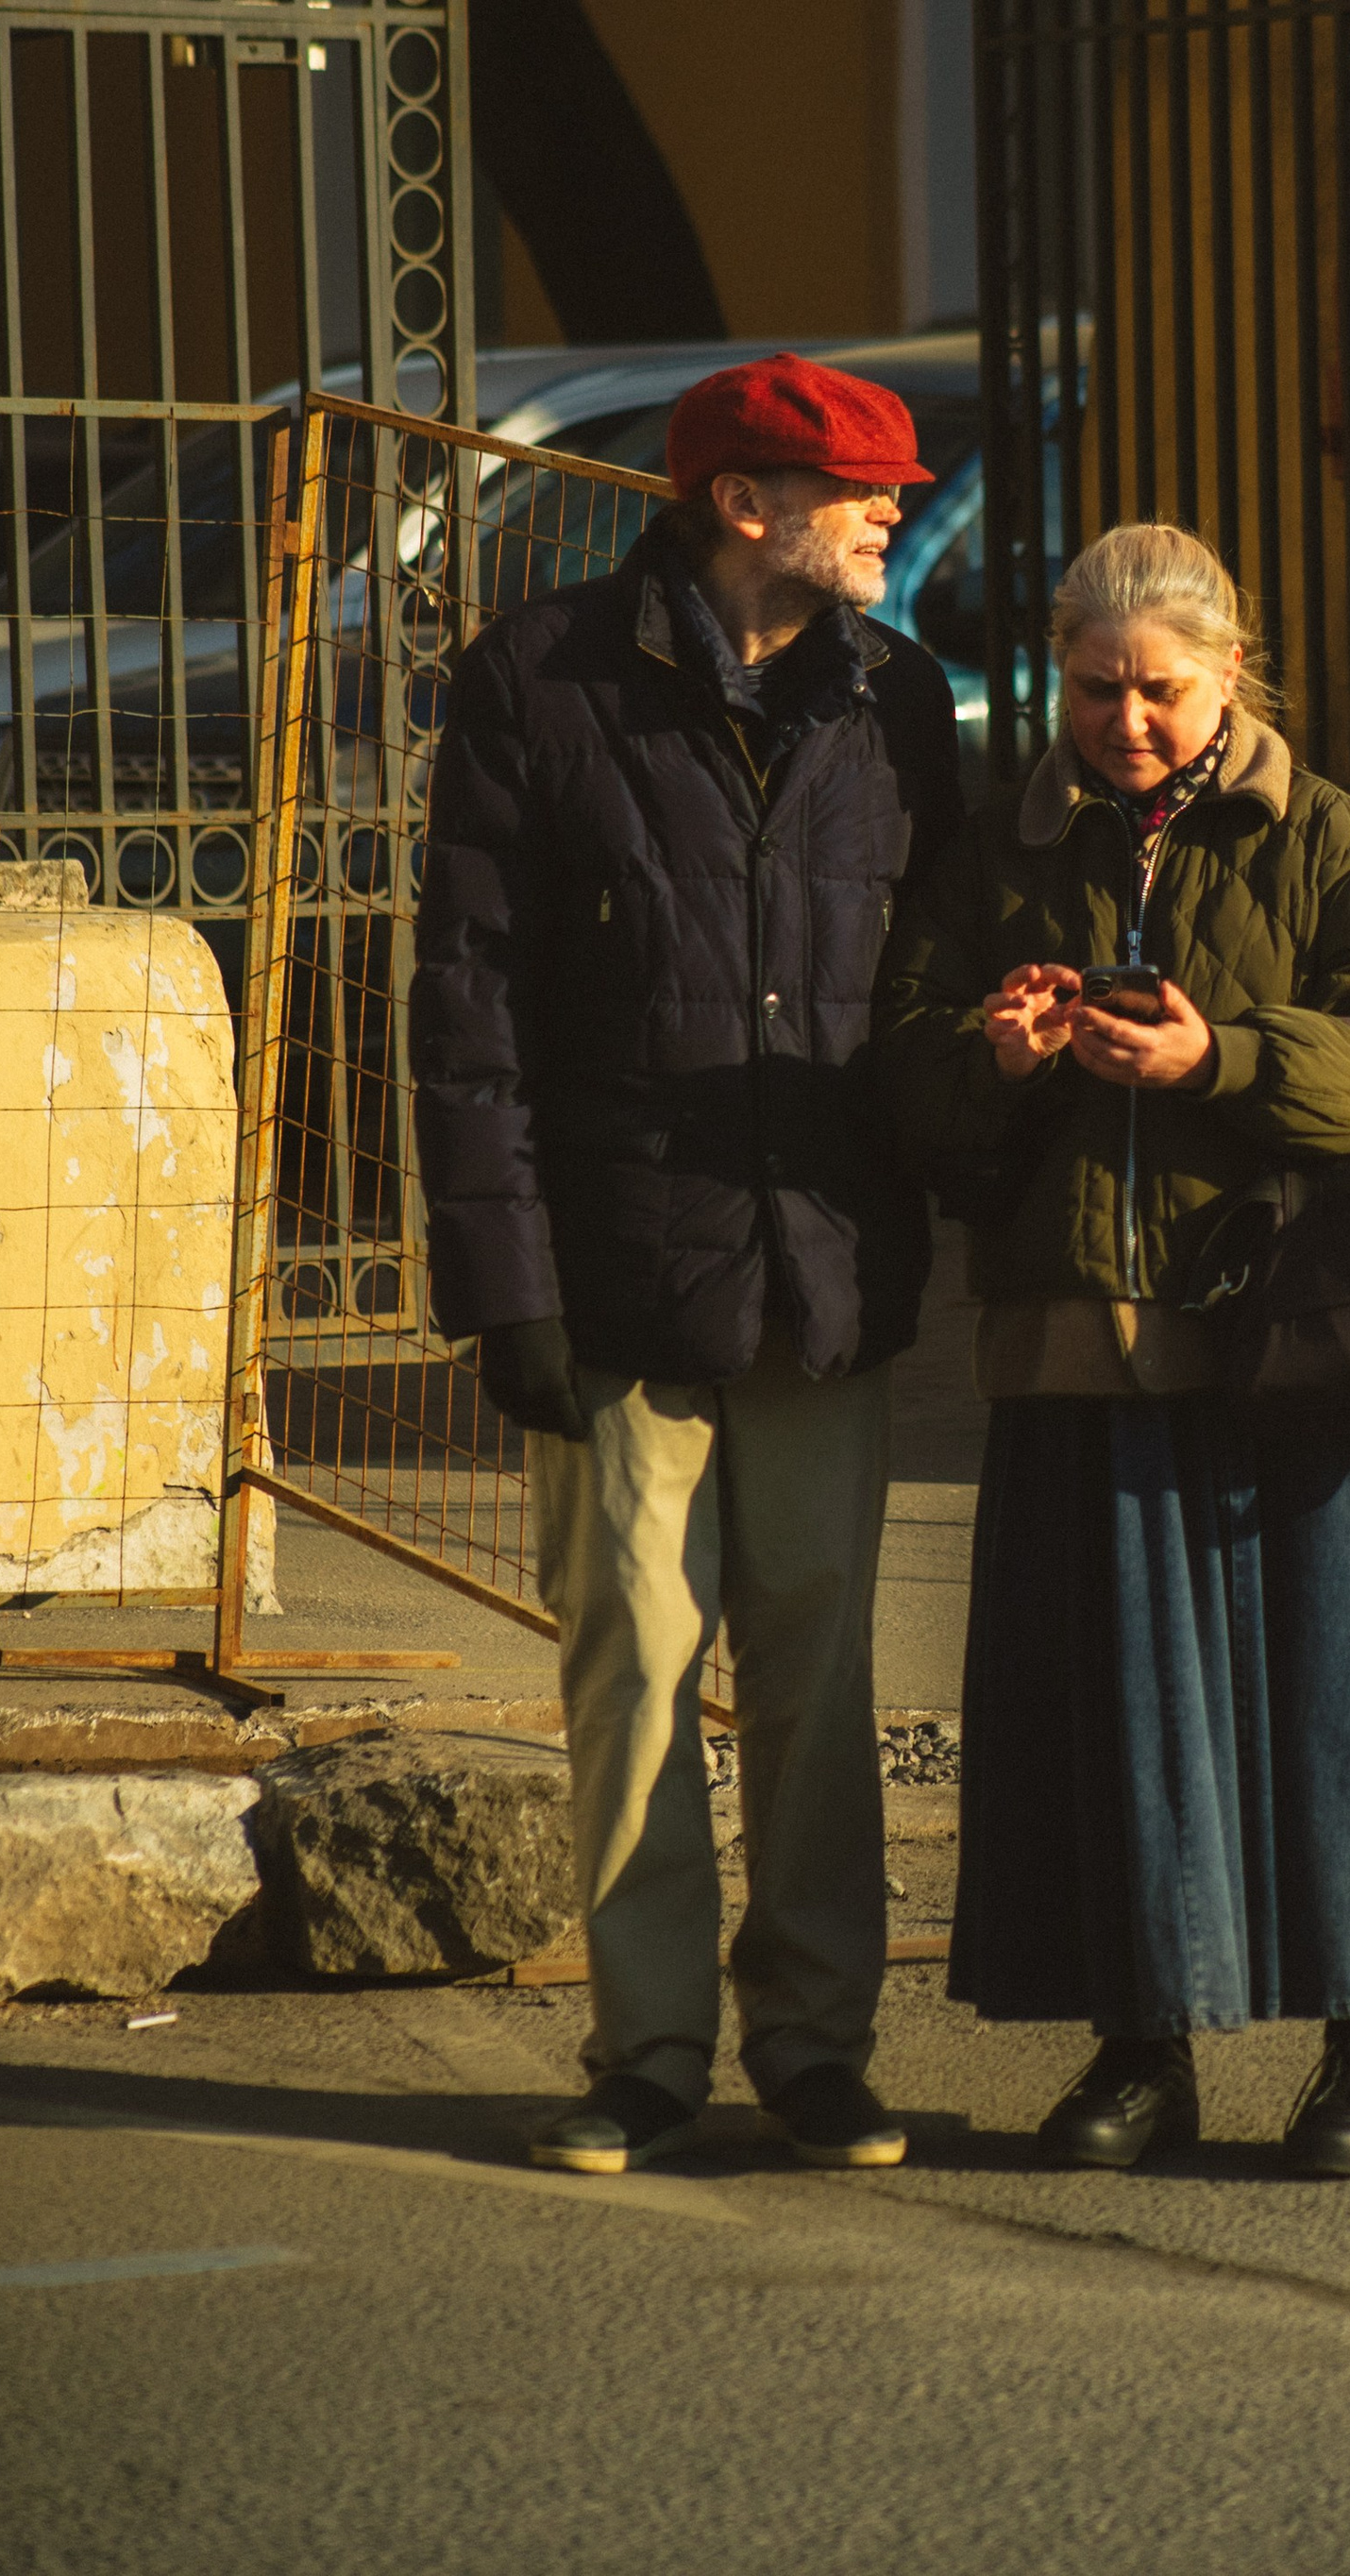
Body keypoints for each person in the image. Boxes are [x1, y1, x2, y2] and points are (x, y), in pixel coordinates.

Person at [876, 522, 1350, 2178]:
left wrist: (1226, 1058)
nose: (1126, 724)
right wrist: (995, 1060)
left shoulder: (1328, 839)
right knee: (1114, 1718)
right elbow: (908, 1088)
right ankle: (1141, 2052)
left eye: (1160, 690)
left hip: (1293, 1352)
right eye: (1094, 690)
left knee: (1337, 1705)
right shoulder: (1003, 853)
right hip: (1078, 1346)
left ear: (1232, 675)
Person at [410, 353, 963, 2176]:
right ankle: (647, 2051)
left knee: (818, 1672)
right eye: (862, 484)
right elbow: (469, 1014)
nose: (896, 508)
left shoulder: (903, 698)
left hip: (823, 1269)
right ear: (743, 505)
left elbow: (925, 980)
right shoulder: (539, 683)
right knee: (636, 1664)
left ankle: (816, 2045)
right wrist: (510, 1295)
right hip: (621, 1273)